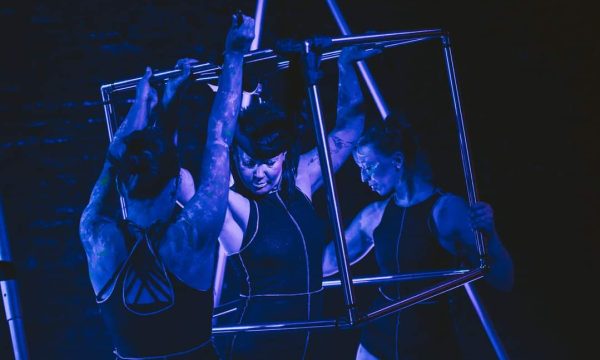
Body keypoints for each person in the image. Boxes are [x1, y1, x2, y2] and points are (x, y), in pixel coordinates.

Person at [79, 13, 255, 359]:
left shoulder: (95, 234)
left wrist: (141, 106)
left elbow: (112, 159)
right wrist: (234, 54)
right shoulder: (193, 233)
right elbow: (219, 138)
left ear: (123, 186)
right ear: (177, 185)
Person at [214, 46, 381, 359]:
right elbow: (212, 148)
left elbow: (350, 127)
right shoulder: (230, 204)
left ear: (283, 156)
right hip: (256, 348)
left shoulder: (303, 176)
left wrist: (346, 64)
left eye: (269, 162)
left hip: (309, 345)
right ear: (236, 156)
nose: (259, 174)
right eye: (249, 162)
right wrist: (231, 68)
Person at [322, 118, 514, 359]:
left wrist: (491, 235)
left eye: (368, 166)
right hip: (375, 345)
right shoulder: (374, 216)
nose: (363, 177)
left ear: (398, 161)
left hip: (429, 347)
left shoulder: (447, 211)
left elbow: (504, 279)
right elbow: (326, 263)